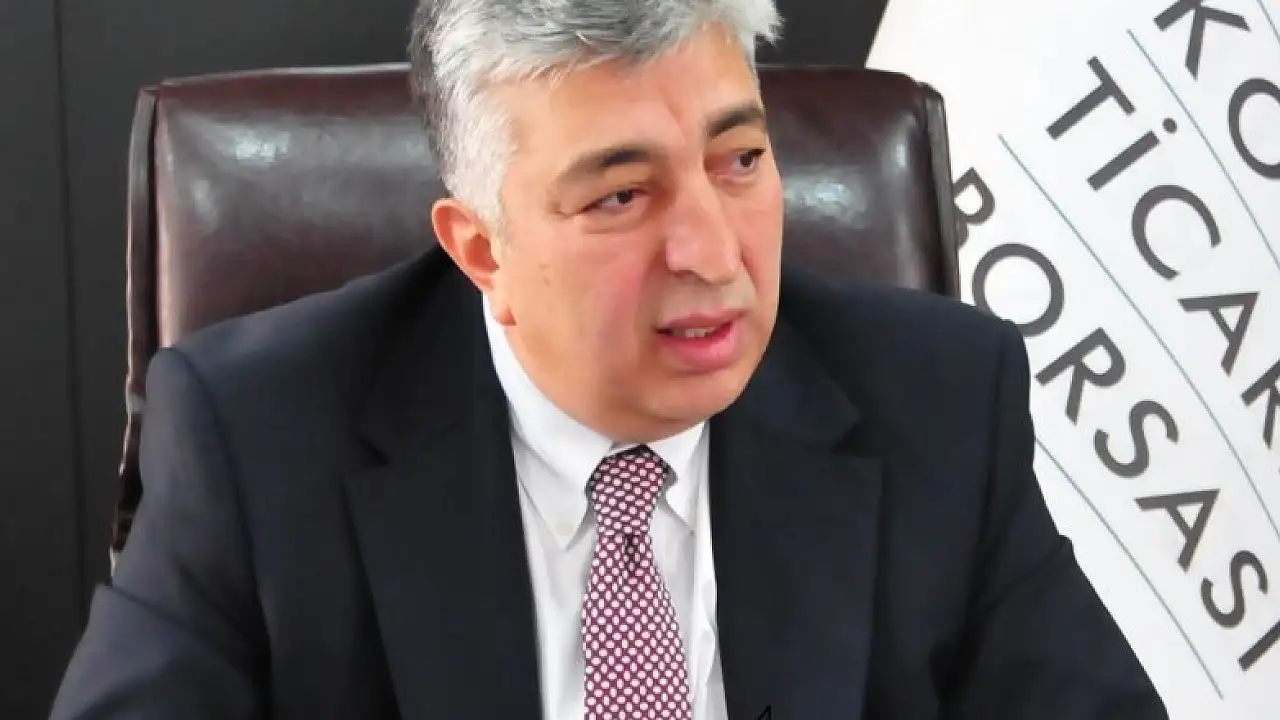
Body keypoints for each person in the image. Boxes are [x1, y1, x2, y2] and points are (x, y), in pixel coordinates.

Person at [50, 0, 1168, 717]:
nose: (713, 254)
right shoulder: (256, 442)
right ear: (481, 250)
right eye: (622, 196)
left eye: (739, 159)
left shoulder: (938, 403)